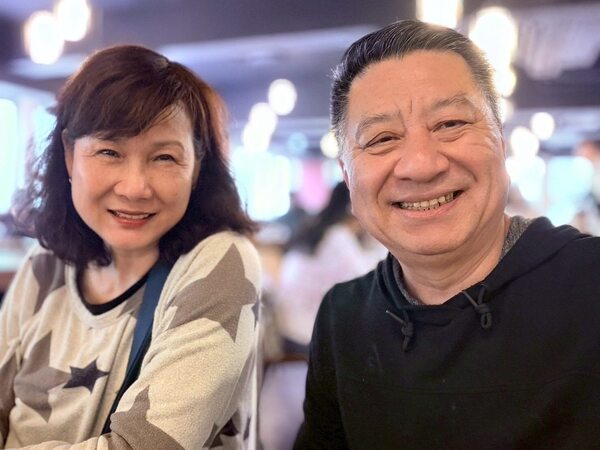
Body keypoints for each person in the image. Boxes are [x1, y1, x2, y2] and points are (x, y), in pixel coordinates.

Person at [295, 19, 600, 448]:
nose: (421, 165)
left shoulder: (589, 282)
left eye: (450, 123)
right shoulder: (343, 317)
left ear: (501, 143)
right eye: (382, 138)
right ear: (347, 177)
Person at [0, 44, 261, 449]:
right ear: (70, 156)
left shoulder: (219, 263)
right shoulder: (45, 265)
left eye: (164, 158)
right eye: (110, 152)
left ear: (196, 167)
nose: (135, 188)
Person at [259, 181, 385, 450]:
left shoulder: (314, 230)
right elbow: (374, 279)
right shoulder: (338, 238)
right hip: (305, 336)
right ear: (355, 207)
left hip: (287, 329)